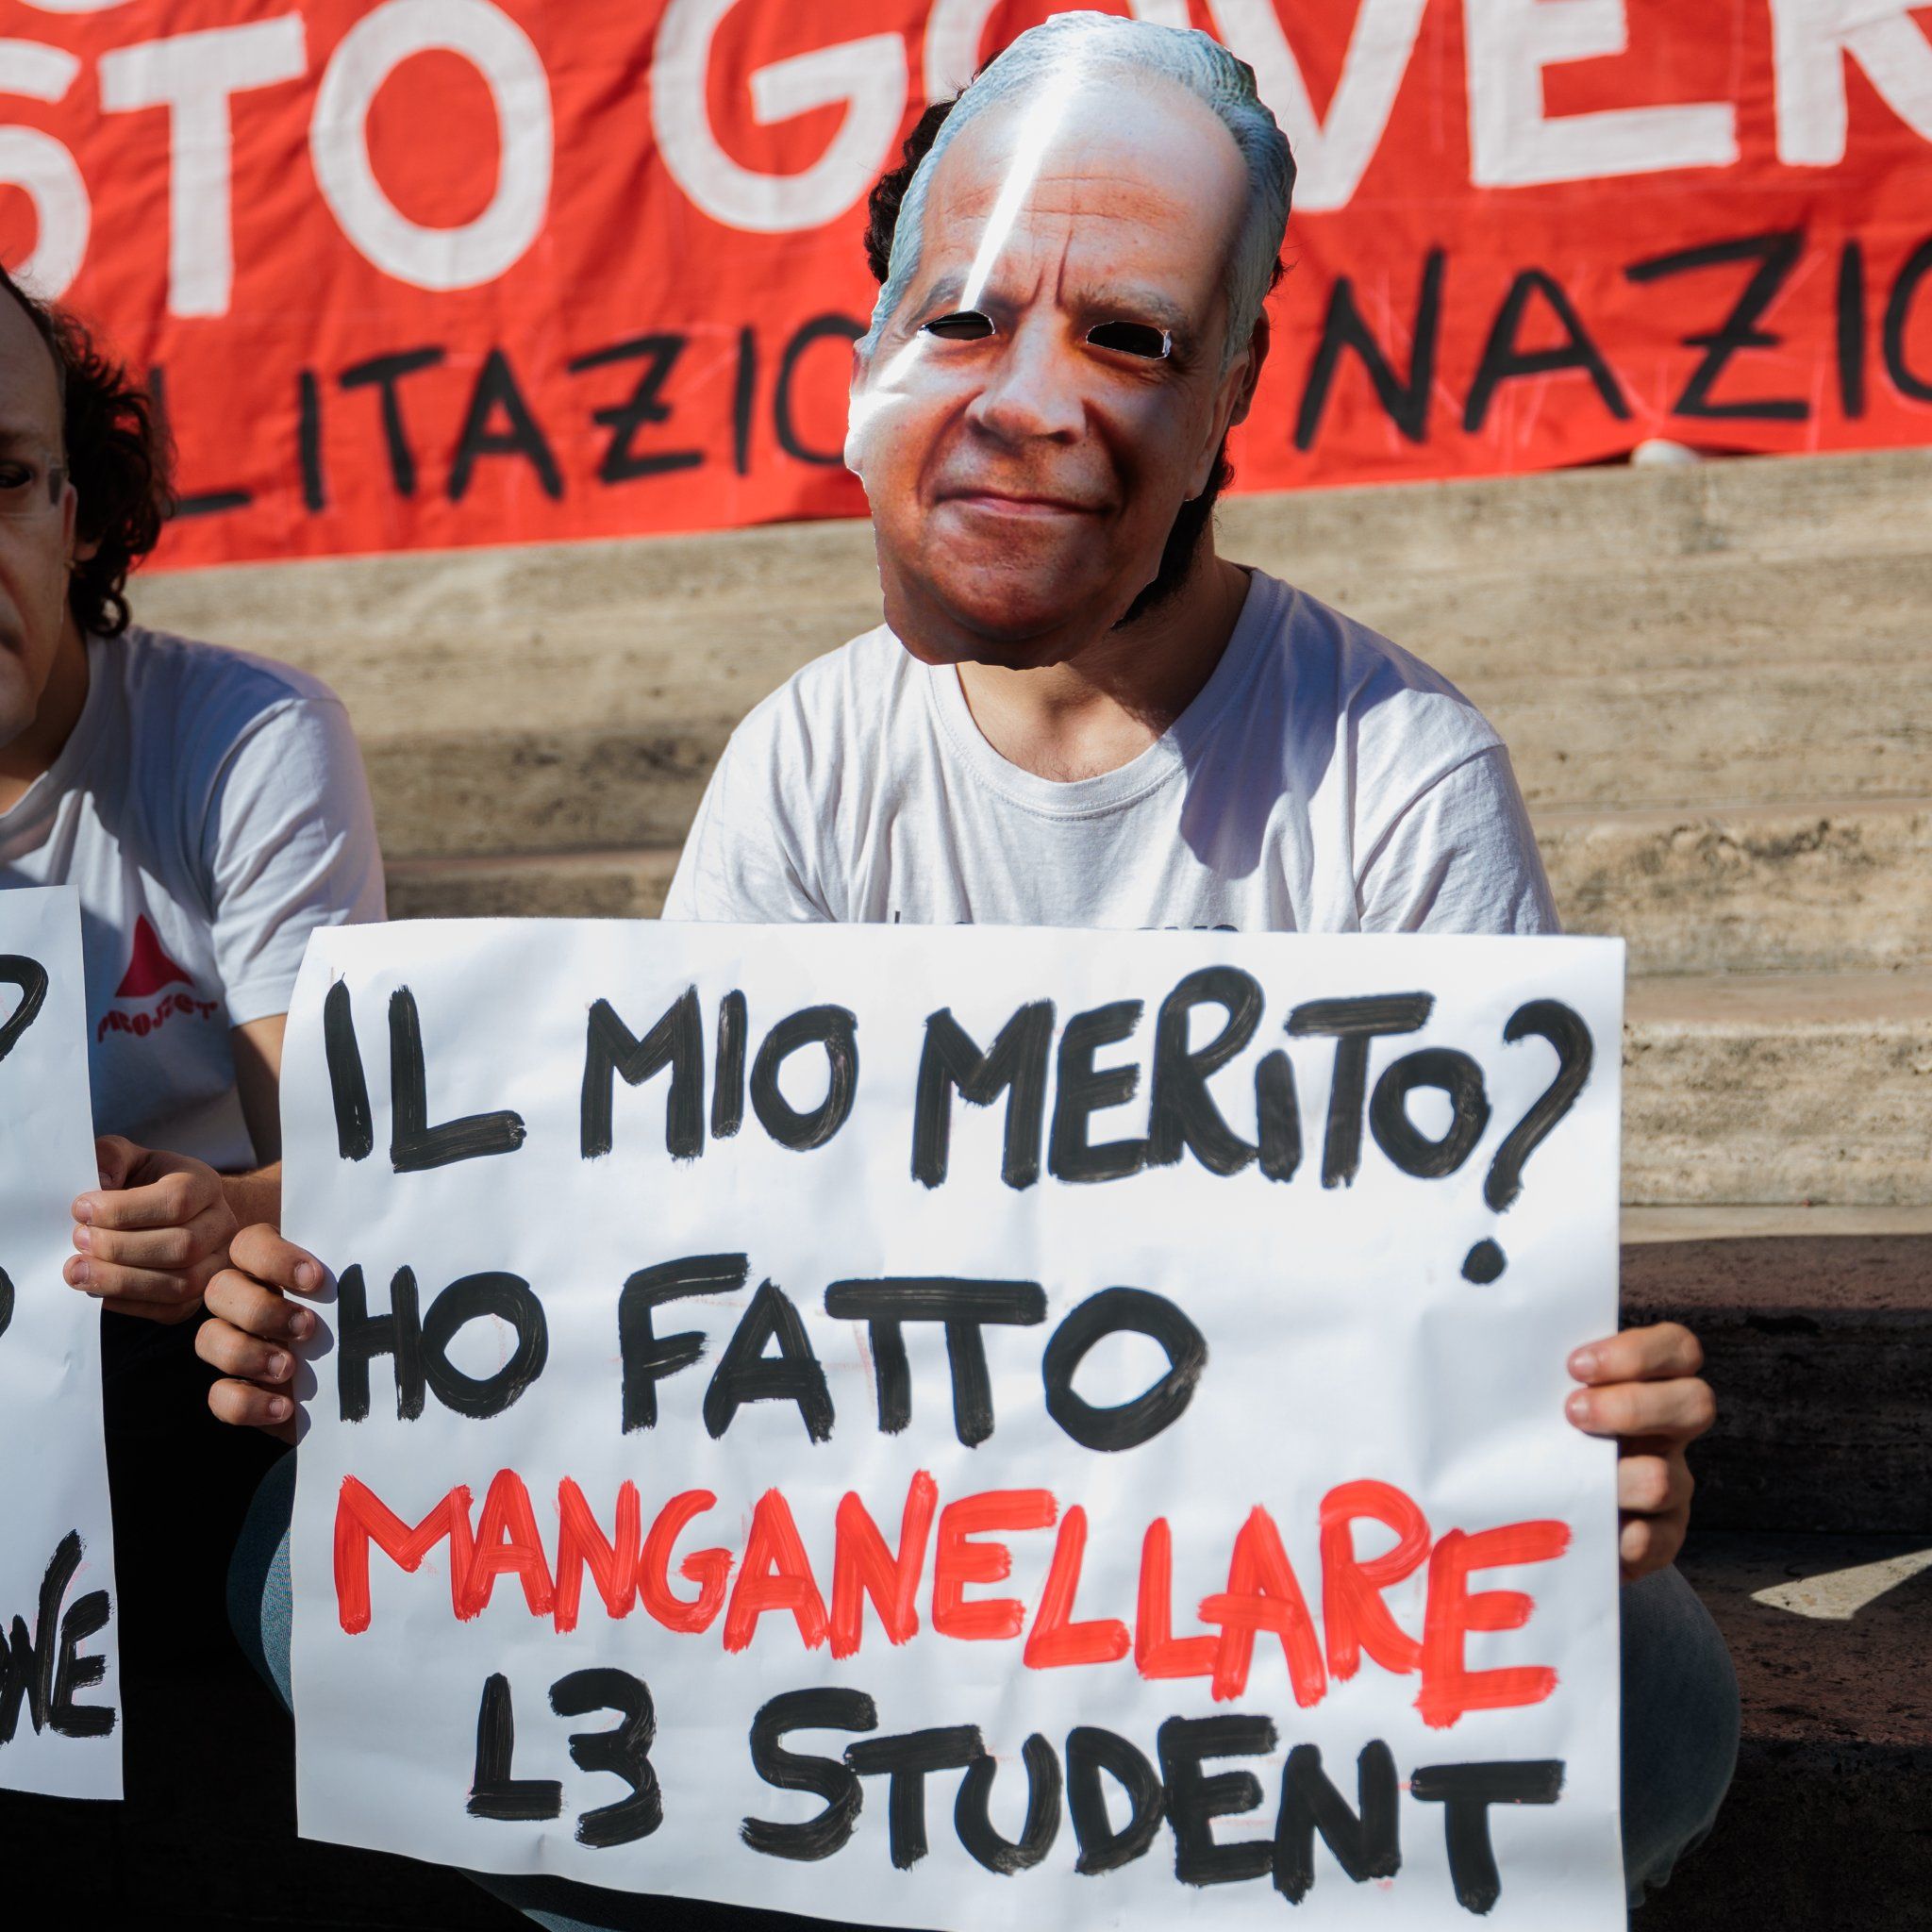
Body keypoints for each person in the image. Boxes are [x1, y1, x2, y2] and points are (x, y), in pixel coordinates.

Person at [203, 14, 1736, 1925]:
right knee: (327, 1564)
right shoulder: (811, 754)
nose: (1027, 402)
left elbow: (1487, 1335)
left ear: (1228, 396)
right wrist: (365, 1310)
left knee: (1647, 1697)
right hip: (855, 1569)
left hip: (1225, 1597)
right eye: (963, 319)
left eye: (1128, 338)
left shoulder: (1392, 768)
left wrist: (1583, 1450)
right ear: (871, 357)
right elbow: (640, 1254)